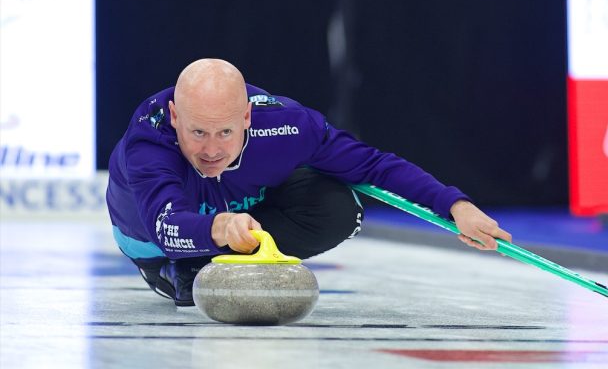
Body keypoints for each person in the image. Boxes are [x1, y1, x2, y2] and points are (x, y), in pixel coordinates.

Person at [107, 58, 512, 306]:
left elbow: (374, 166)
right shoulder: (150, 138)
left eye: (225, 133)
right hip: (152, 242)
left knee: (339, 206)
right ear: (175, 117)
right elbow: (164, 226)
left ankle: (215, 258)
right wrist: (220, 227)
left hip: (237, 211)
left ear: (248, 117)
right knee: (179, 233)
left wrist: (455, 205)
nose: (211, 150)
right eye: (197, 133)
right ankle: (189, 265)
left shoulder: (286, 124)